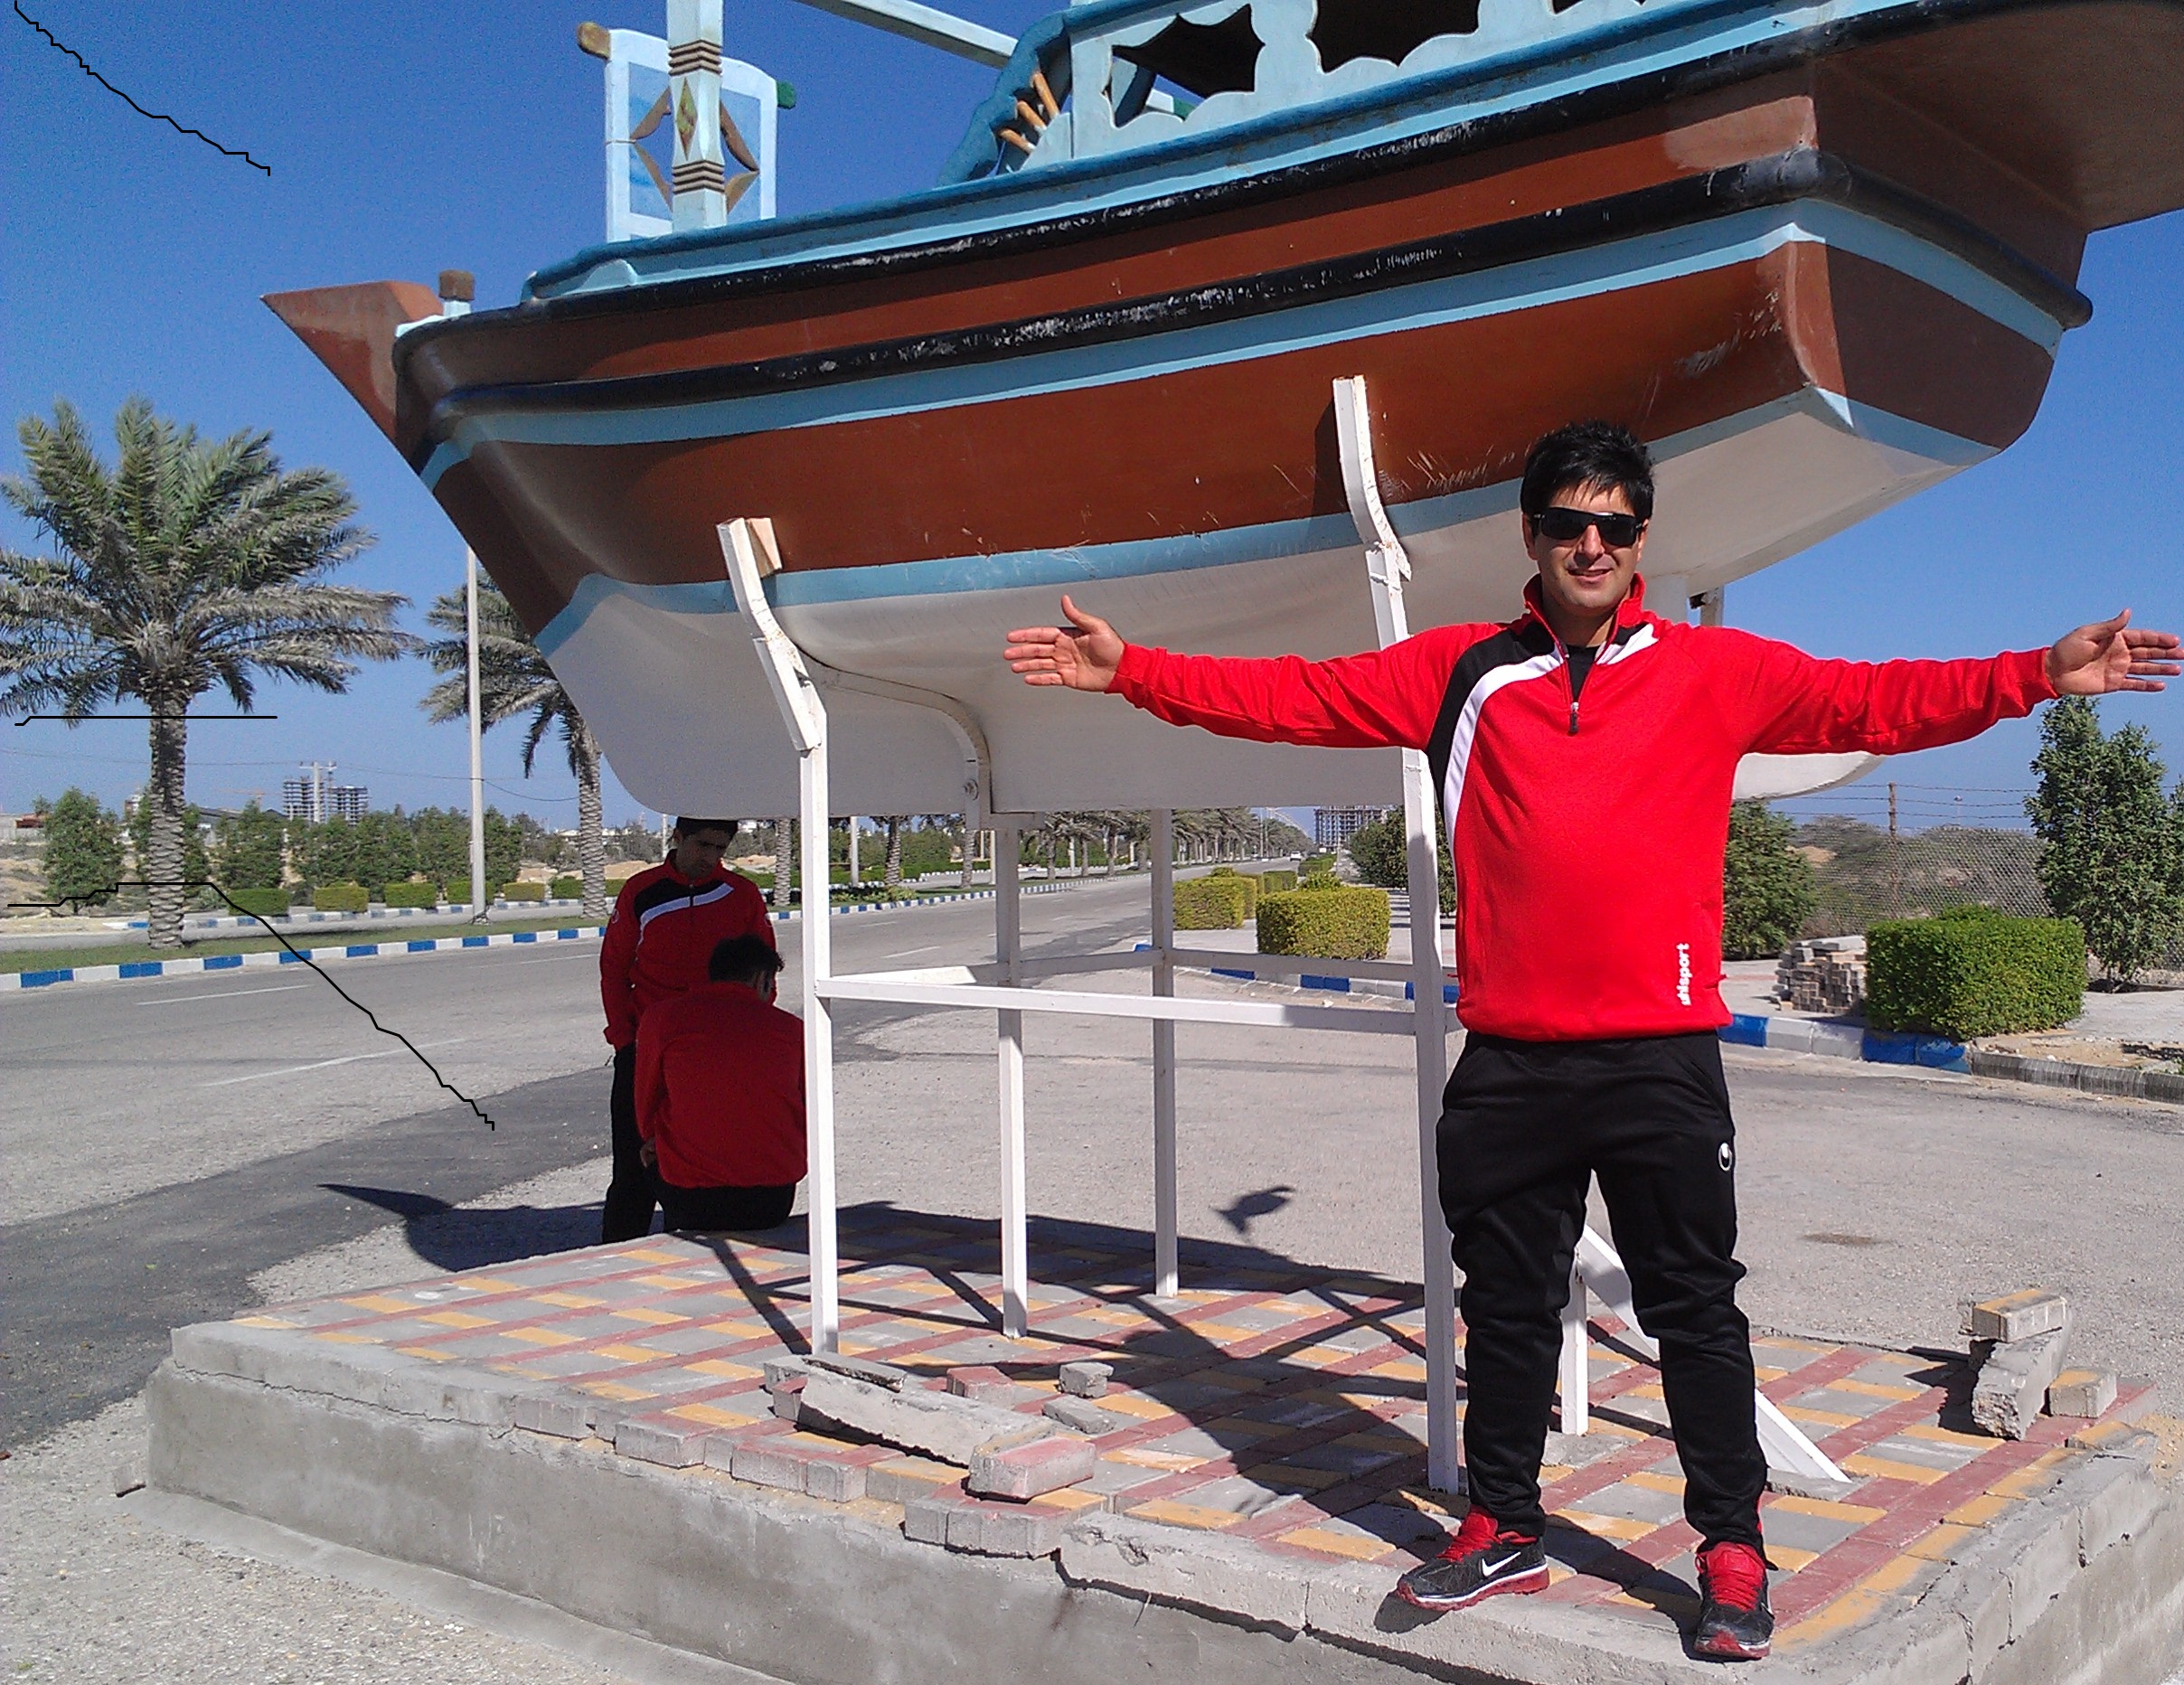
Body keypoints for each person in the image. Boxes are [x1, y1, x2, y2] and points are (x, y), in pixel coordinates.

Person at [1003, 420, 2177, 1661]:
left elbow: (1874, 701)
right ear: (1532, 533)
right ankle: (1503, 1525)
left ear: (1641, 540)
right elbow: (1291, 697)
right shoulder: (1459, 672)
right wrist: (1134, 671)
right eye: (1568, 522)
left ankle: (1731, 1547)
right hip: (1512, 1063)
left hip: (1659, 1058)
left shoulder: (1716, 672)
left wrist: (2034, 673)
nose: (1590, 544)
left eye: (1614, 525)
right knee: (1507, 1310)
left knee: (1695, 1312)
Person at [598, 818, 775, 1242]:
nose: (710, 858)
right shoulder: (641, 891)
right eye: (702, 846)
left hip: (716, 1054)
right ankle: (616, 1257)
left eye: (720, 849)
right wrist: (624, 1041)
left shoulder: (741, 894)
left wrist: (749, 1035)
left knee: (700, 1163)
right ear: (677, 838)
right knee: (632, 1169)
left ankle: (692, 1251)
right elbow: (613, 970)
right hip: (646, 1051)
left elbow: (765, 973)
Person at [635, 935, 805, 1232]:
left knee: (655, 1150)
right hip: (772, 1199)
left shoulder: (662, 1019)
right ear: (761, 980)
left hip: (688, 1196)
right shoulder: (794, 1030)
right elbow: (806, 1104)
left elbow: (646, 1105)